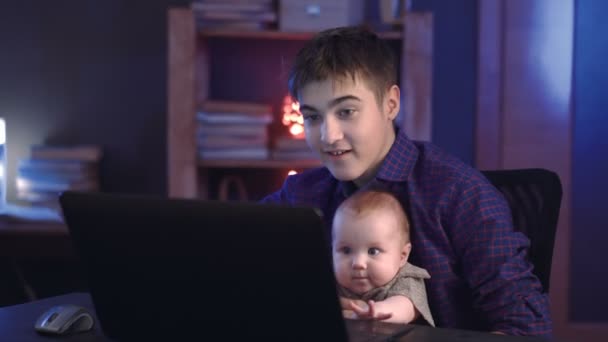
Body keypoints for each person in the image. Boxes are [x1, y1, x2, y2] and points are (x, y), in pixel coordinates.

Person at [261, 26, 552, 336]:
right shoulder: (300, 196)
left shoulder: (461, 193)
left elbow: (527, 330)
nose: (328, 136)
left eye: (346, 111)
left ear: (391, 104)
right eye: (312, 117)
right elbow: (234, 265)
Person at [332, 189, 435, 326]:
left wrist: (373, 312)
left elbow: (403, 308)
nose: (358, 263)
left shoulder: (405, 279)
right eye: (346, 250)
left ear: (402, 256)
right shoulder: (333, 279)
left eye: (373, 251)